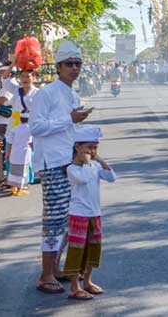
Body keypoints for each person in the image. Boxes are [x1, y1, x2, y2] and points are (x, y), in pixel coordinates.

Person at [29, 41, 92, 295]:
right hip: (52, 163)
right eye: (69, 64)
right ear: (58, 67)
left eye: (78, 64)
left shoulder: (72, 94)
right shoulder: (47, 93)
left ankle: (55, 267)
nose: (74, 68)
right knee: (54, 219)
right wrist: (69, 119)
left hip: (69, 161)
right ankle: (45, 274)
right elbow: (36, 127)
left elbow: (69, 129)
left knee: (70, 217)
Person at [64, 124, 116, 301]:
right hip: (79, 214)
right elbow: (84, 179)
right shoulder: (72, 169)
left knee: (93, 248)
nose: (92, 151)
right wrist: (87, 162)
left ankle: (87, 281)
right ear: (77, 147)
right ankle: (74, 287)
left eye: (95, 148)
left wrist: (100, 160)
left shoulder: (94, 165)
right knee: (77, 249)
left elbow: (111, 177)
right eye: (88, 147)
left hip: (95, 213)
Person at [4, 68, 39, 196]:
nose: (25, 79)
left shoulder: (37, 93)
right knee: (12, 154)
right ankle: (12, 182)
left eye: (28, 76)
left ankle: (25, 183)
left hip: (31, 125)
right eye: (23, 76)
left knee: (28, 155)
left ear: (34, 78)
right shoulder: (16, 90)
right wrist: (12, 64)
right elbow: (6, 81)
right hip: (15, 123)